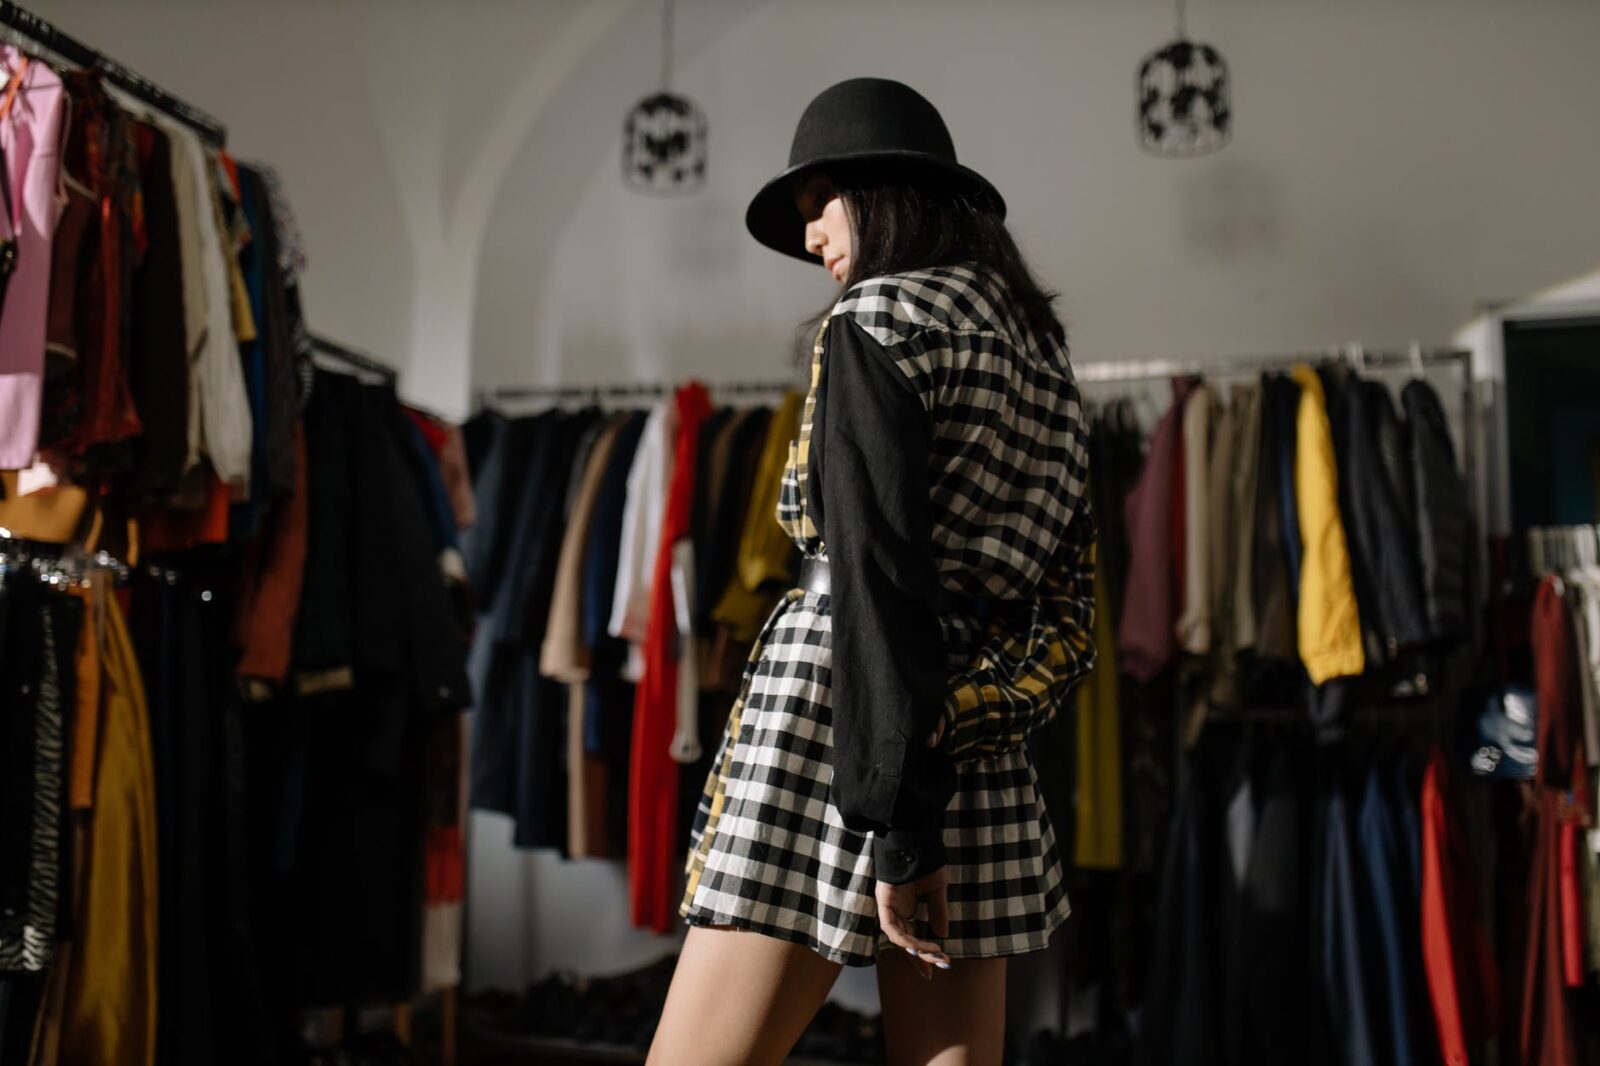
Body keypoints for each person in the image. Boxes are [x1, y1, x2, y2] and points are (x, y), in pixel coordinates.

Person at [650, 78, 1097, 1066]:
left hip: (840, 713)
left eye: (819, 205)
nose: (811, 237)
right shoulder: (1045, 362)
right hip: (967, 732)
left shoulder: (873, 323)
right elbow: (1068, 613)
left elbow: (874, 582)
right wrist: (945, 755)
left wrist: (902, 836)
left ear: (885, 195)